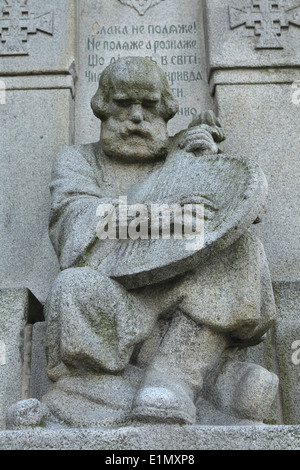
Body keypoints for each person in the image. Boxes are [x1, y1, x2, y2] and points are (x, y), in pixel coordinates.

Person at [41, 57, 278, 427]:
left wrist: (205, 168)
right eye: (123, 103)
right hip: (117, 295)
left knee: (241, 248)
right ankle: (212, 391)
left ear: (166, 110)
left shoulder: (183, 154)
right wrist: (163, 213)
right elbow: (79, 228)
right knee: (71, 287)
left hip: (186, 292)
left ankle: (174, 380)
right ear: (103, 107)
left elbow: (228, 217)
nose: (136, 116)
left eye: (149, 105)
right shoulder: (77, 161)